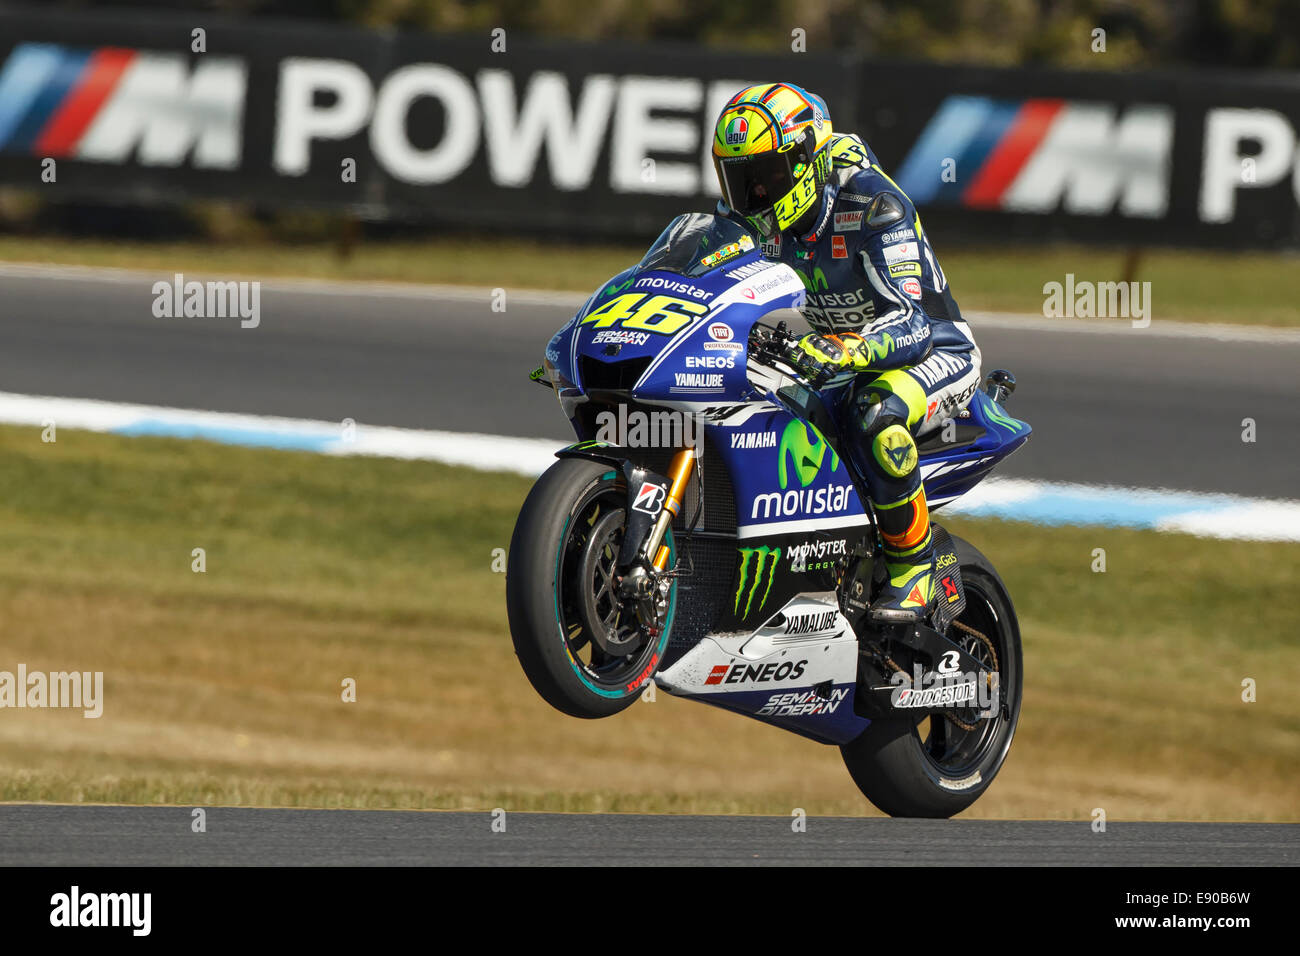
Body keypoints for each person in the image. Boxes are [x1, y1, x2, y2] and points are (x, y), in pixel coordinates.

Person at [711, 82, 982, 623]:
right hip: (837, 357)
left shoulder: (873, 204)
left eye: (768, 177)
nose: (757, 196)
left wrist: (847, 347)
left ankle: (916, 573)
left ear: (807, 158)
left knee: (874, 414)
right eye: (742, 181)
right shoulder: (747, 221)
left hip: (932, 352)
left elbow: (913, 322)